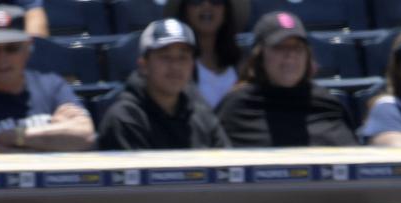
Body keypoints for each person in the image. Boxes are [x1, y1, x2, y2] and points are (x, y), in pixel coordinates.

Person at [216, 11, 358, 148]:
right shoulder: (237, 107)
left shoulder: (327, 105)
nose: (290, 55)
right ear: (259, 56)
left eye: (298, 47)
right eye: (280, 47)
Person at [0, 4, 95, 152]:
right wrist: (54, 134)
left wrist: (15, 137)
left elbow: (85, 135)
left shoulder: (52, 86)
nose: (2, 58)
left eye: (12, 48)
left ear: (28, 48)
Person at [97, 19, 230, 151]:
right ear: (144, 65)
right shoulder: (125, 119)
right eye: (165, 57)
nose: (175, 66)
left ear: (192, 65)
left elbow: (227, 166)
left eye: (183, 57)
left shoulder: (202, 116)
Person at [165, 0, 245, 110]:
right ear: (184, 10)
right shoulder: (172, 64)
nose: (206, 5)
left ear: (226, 10)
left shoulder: (243, 62)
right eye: (196, 1)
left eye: (215, 1)